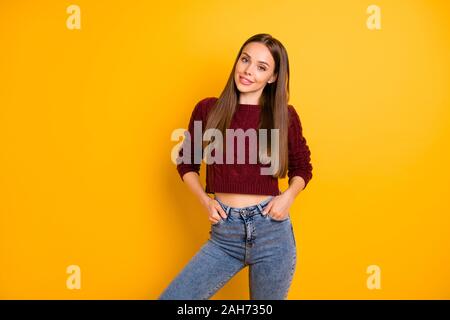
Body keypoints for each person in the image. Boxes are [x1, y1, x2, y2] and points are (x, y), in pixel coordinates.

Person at [159, 33, 313, 300]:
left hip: (272, 234)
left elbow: (303, 168)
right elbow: (187, 163)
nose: (248, 71)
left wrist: (288, 197)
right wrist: (206, 202)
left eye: (261, 67)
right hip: (224, 236)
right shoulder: (209, 110)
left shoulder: (284, 116)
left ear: (273, 77)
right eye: (245, 60)